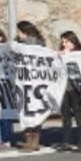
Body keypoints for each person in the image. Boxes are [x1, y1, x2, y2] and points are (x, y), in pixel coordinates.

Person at [16, 21, 47, 153]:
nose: (17, 34)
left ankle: (34, 141)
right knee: (25, 110)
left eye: (19, 31)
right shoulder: (18, 44)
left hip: (35, 82)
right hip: (24, 82)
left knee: (34, 110)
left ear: (24, 32)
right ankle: (29, 140)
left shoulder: (36, 44)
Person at [57, 31, 81, 153]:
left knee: (78, 114)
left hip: (76, 89)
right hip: (64, 88)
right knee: (65, 116)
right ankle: (66, 142)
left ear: (73, 42)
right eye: (63, 42)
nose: (64, 44)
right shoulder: (61, 54)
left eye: (67, 42)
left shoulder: (79, 54)